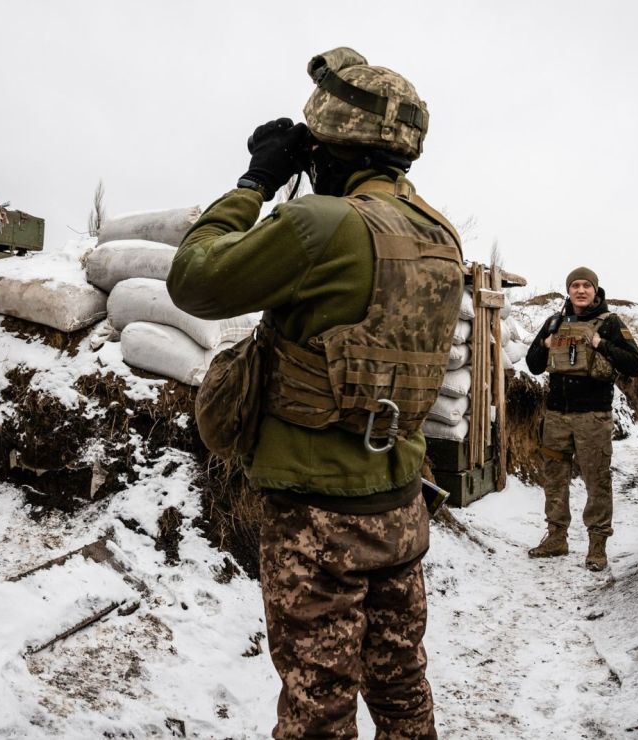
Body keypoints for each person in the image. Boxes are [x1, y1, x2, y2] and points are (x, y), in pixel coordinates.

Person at [167, 47, 464, 739]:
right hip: (400, 503)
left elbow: (195, 279)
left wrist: (257, 179)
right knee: (400, 687)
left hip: (319, 517)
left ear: (329, 144)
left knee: (317, 709)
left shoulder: (325, 223)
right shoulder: (438, 233)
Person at [524, 267, 638, 570]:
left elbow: (635, 364)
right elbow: (533, 366)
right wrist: (544, 344)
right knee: (554, 478)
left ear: (595, 290)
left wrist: (602, 344)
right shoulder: (555, 322)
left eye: (586, 286)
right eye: (574, 285)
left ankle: (597, 546)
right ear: (568, 290)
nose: (580, 290)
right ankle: (556, 538)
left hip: (592, 417)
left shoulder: (610, 323)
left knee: (596, 480)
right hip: (556, 416)